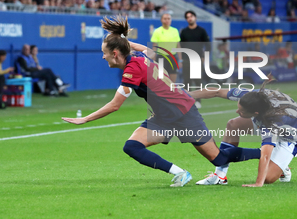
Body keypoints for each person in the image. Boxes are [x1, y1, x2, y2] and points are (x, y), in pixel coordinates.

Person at [62, 15, 261, 188]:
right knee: (132, 146)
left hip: (183, 112)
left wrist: (85, 119)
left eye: (104, 52)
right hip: (165, 117)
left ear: (115, 54)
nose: (103, 56)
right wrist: (124, 42)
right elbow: (148, 50)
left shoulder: (132, 70)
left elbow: (115, 105)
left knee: (219, 158)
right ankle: (180, 173)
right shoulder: (139, 57)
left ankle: (268, 153)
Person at [190, 82, 297, 187]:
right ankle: (220, 176)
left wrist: (258, 183)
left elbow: (265, 155)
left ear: (256, 113)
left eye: (242, 111)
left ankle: (280, 165)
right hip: (276, 119)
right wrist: (188, 94)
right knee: (233, 124)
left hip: (290, 137)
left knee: (268, 178)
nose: (237, 111)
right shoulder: (251, 96)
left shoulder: (271, 122)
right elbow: (217, 92)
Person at [180, 10, 210, 109]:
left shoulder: (201, 31)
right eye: (187, 17)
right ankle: (186, 100)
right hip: (187, 59)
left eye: (191, 16)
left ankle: (198, 101)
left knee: (197, 81)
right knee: (186, 81)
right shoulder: (184, 32)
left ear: (195, 17)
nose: (190, 18)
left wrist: (204, 56)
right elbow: (181, 46)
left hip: (197, 59)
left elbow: (208, 44)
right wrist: (182, 58)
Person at [150, 13, 182, 83]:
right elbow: (154, 47)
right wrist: (154, 60)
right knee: (161, 80)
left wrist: (180, 60)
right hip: (161, 58)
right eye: (165, 19)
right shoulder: (157, 31)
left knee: (173, 81)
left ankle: (172, 93)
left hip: (173, 57)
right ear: (161, 20)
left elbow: (178, 46)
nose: (167, 20)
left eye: (169, 19)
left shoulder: (175, 31)